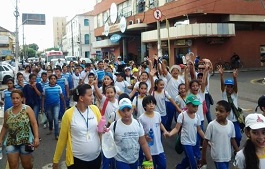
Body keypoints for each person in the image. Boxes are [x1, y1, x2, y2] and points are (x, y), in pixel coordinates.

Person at [53, 84, 102, 169]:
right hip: (77, 161)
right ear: (81, 98)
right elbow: (62, 139)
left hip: (96, 158)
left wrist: (103, 131)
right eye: (90, 95)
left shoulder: (95, 109)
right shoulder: (69, 114)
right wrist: (56, 160)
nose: (93, 97)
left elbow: (101, 130)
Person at [0, 90, 39, 169]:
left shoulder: (27, 109)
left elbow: (34, 123)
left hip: (26, 141)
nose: (15, 100)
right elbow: (5, 126)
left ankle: (30, 160)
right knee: (13, 166)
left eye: (17, 98)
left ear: (22, 99)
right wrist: (0, 139)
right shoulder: (8, 112)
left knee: (27, 166)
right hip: (11, 142)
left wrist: (36, 137)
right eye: (13, 98)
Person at [109, 98, 153, 169]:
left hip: (135, 160)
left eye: (128, 110)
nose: (126, 113)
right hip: (120, 161)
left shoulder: (137, 124)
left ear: (132, 110)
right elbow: (108, 145)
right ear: (119, 112)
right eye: (123, 111)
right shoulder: (114, 126)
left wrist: (150, 159)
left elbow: (143, 143)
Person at [165, 94, 205, 169]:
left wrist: (206, 139)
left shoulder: (197, 117)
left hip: (194, 141)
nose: (196, 108)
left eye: (197, 106)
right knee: (193, 162)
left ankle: (179, 167)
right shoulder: (182, 115)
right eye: (194, 106)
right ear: (187, 105)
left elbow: (199, 130)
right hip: (185, 141)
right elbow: (176, 128)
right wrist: (170, 134)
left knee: (190, 158)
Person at [201, 100, 239, 169]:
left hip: (227, 156)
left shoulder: (230, 124)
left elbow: (232, 139)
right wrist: (203, 158)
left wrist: (238, 152)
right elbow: (205, 141)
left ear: (228, 113)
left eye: (221, 111)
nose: (217, 113)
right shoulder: (212, 125)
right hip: (218, 156)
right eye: (216, 110)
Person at [139, 95, 168, 169]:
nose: (151, 105)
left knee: (163, 165)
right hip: (148, 149)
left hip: (159, 147)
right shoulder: (141, 118)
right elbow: (139, 132)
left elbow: (160, 124)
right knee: (149, 167)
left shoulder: (157, 115)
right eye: (149, 104)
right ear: (144, 106)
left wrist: (165, 131)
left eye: (153, 103)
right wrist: (145, 137)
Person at [218, 66, 242, 147]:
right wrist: (221, 75)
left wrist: (234, 78)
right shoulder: (224, 94)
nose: (229, 88)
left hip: (235, 120)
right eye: (227, 86)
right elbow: (222, 85)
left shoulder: (235, 94)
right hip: (226, 121)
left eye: (231, 86)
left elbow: (236, 87)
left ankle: (236, 150)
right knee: (227, 137)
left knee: (238, 137)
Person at [42, 74, 66, 139]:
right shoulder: (45, 87)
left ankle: (56, 134)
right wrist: (42, 107)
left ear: (56, 80)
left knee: (56, 118)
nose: (53, 80)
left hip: (56, 105)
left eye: (54, 79)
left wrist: (64, 105)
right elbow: (43, 97)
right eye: (51, 79)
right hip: (48, 105)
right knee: (50, 118)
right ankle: (50, 128)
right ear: (49, 80)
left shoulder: (58, 87)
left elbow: (62, 96)